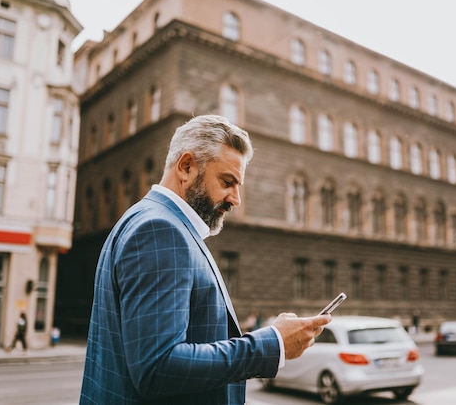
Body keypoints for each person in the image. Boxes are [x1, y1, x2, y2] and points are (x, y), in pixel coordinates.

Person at [80, 115, 331, 405]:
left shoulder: (150, 220)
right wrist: (272, 344)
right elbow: (158, 367)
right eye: (227, 182)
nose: (235, 199)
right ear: (186, 166)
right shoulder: (160, 231)